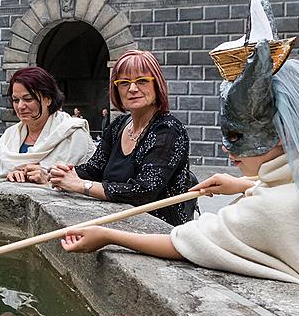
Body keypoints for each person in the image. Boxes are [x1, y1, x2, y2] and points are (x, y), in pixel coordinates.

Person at [60, 41, 299, 316]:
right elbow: (285, 193)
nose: (227, 149)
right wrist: (239, 184)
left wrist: (106, 235)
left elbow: (183, 242)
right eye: (123, 82)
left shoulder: (267, 210)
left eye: (236, 136)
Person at [49, 50, 193, 225]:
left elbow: (143, 192)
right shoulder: (119, 125)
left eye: (142, 81)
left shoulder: (168, 130)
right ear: (116, 89)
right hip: (118, 223)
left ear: (157, 85)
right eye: (124, 83)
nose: (133, 89)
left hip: (158, 232)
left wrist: (80, 186)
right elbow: (94, 170)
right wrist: (55, 174)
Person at [0, 66, 95, 183]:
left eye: (28, 99)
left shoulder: (73, 133)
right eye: (16, 100)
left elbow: (87, 182)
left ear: (48, 99)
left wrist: (47, 180)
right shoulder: (9, 136)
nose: (20, 106)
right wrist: (12, 177)